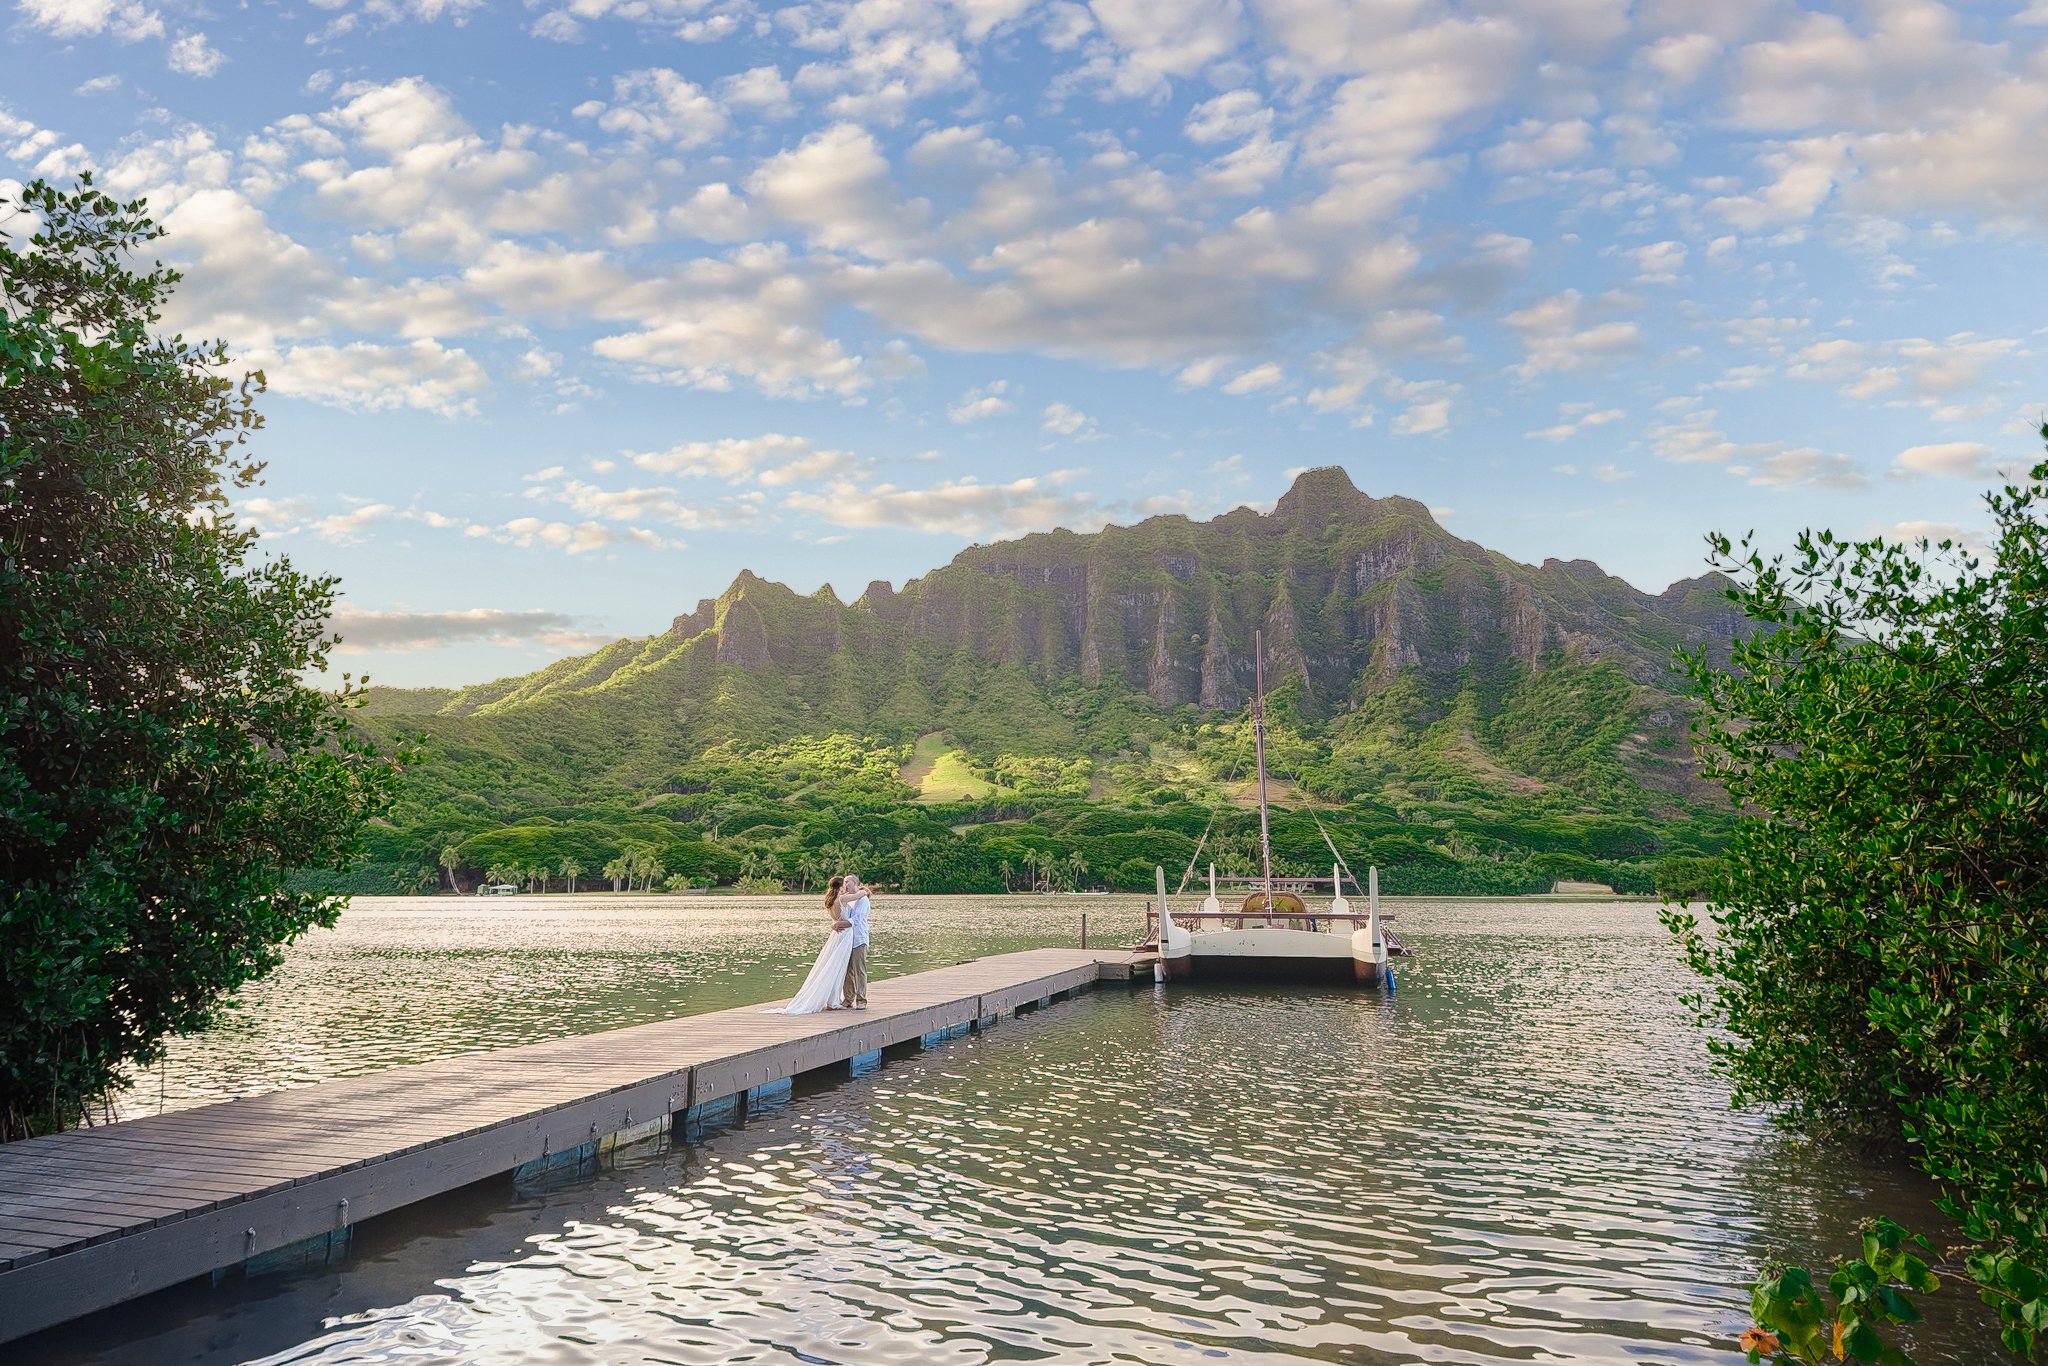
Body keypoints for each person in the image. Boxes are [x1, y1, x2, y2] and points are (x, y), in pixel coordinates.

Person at [765, 875, 857, 1015]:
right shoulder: (841, 899)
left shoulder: (830, 900)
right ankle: (833, 1001)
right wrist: (864, 890)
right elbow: (860, 895)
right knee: (839, 967)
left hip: (836, 936)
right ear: (840, 887)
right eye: (844, 884)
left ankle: (833, 1000)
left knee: (834, 966)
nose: (845, 886)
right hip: (844, 935)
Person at [838, 873, 871, 1009]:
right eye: (844, 883)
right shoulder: (849, 899)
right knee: (847, 969)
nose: (846, 885)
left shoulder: (863, 900)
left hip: (859, 938)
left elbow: (857, 920)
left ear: (856, 884)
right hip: (847, 939)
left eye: (848, 883)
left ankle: (861, 999)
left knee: (859, 969)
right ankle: (848, 998)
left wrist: (841, 925)